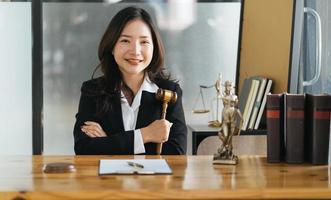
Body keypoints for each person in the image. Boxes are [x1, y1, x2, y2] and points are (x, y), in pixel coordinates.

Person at [73, 6, 187, 155]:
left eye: (144, 42)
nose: (135, 51)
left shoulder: (170, 92)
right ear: (112, 46)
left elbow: (176, 151)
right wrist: (146, 135)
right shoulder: (92, 90)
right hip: (106, 179)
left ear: (154, 48)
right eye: (125, 40)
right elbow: (84, 148)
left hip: (154, 179)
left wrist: (109, 141)